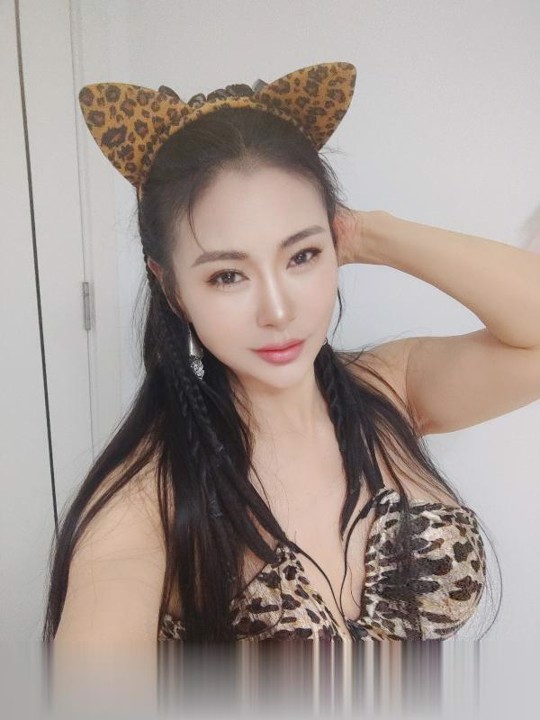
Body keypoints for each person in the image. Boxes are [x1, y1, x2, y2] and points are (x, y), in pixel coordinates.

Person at [43, 61, 516, 646]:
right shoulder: (148, 502)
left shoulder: (391, 388)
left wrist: (373, 233)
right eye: (227, 276)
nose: (278, 310)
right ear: (173, 290)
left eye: (302, 256)